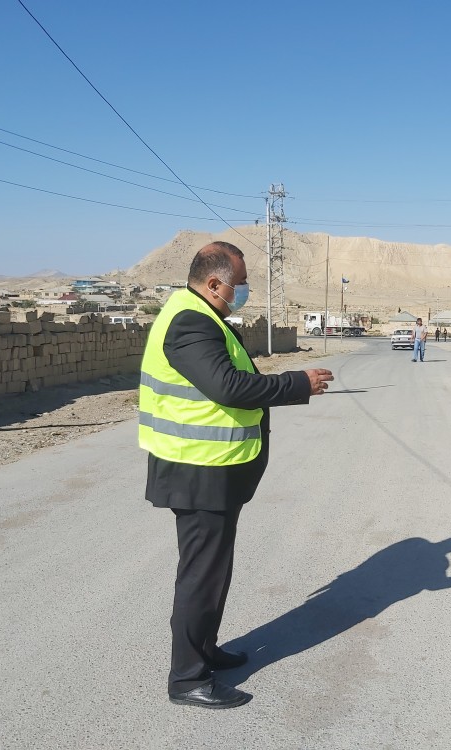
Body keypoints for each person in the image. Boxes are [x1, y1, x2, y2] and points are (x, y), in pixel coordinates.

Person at [139, 241, 334, 709]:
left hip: (215, 472)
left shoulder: (202, 316)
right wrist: (296, 383)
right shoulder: (190, 321)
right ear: (213, 283)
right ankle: (186, 678)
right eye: (240, 284)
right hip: (197, 471)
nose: (243, 291)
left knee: (214, 571)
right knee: (200, 576)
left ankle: (205, 650)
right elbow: (228, 387)